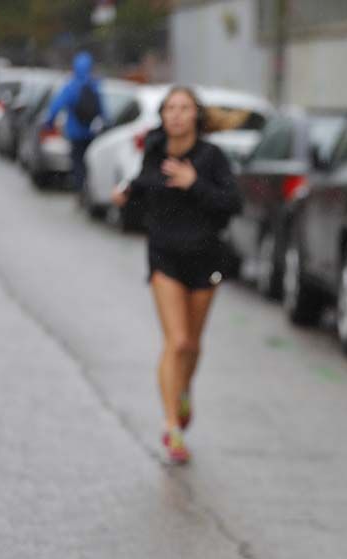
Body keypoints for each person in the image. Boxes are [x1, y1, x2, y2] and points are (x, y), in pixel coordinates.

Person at [111, 86, 241, 463]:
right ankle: (172, 427)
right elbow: (143, 185)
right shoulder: (154, 149)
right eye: (170, 109)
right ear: (163, 115)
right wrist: (126, 194)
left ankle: (184, 391)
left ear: (196, 116)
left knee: (194, 344)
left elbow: (232, 203)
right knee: (178, 340)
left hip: (205, 258)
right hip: (164, 255)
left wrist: (194, 183)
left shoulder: (212, 157)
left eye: (184, 109)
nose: (177, 115)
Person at [44, 51, 106, 192]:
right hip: (91, 133)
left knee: (77, 163)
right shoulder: (95, 85)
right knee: (88, 162)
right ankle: (88, 188)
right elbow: (103, 110)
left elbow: (56, 106)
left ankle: (80, 190)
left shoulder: (71, 86)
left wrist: (49, 123)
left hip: (75, 133)